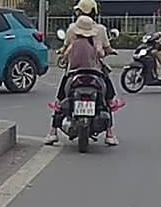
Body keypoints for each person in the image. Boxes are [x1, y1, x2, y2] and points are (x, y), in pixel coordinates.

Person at [46, 14, 119, 146]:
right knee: (106, 100)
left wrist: (63, 56)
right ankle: (109, 134)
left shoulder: (73, 43)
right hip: (95, 73)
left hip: (75, 73)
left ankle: (53, 132)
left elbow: (64, 56)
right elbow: (102, 53)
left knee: (60, 99)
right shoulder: (96, 41)